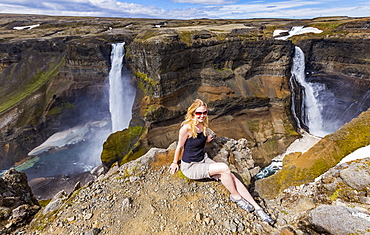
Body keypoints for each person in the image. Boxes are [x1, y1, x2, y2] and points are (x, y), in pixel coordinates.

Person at [168, 99, 275, 225]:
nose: (202, 116)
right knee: (225, 168)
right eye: (198, 113)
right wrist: (175, 162)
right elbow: (180, 147)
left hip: (203, 160)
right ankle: (235, 197)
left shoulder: (203, 126)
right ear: (192, 113)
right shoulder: (186, 128)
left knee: (232, 177)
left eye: (204, 113)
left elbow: (197, 141)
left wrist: (206, 139)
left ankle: (258, 208)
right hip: (191, 167)